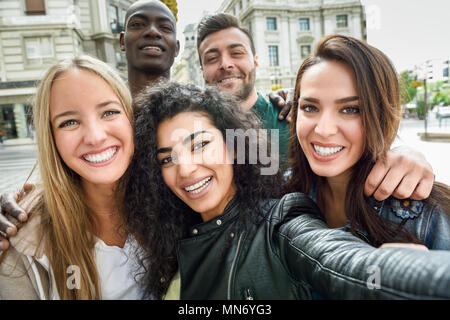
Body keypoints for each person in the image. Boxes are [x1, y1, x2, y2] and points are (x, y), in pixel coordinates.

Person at [0, 11, 437, 248]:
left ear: (255, 61)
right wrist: (27, 200)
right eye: (211, 57)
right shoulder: (285, 189)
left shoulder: (285, 119)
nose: (322, 128)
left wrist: (401, 153)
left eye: (236, 52)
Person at [123, 81, 450, 300]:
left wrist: (415, 276)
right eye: (168, 158)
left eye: (201, 145)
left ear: (235, 147)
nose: (186, 169)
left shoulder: (280, 221)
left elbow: (338, 261)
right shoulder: (169, 232)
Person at [285, 34, 450, 249]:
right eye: (310, 107)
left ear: (381, 116)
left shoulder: (425, 214)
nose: (324, 130)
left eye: (351, 109)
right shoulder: (282, 191)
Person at [0, 55, 143, 299]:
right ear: (51, 138)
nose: (95, 137)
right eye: (69, 122)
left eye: (109, 112)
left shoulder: (176, 198)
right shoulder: (20, 242)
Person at [119, 0, 180, 97]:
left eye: (165, 27)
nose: (153, 32)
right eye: (137, 24)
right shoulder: (102, 104)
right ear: (122, 41)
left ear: (177, 48)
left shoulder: (197, 108)